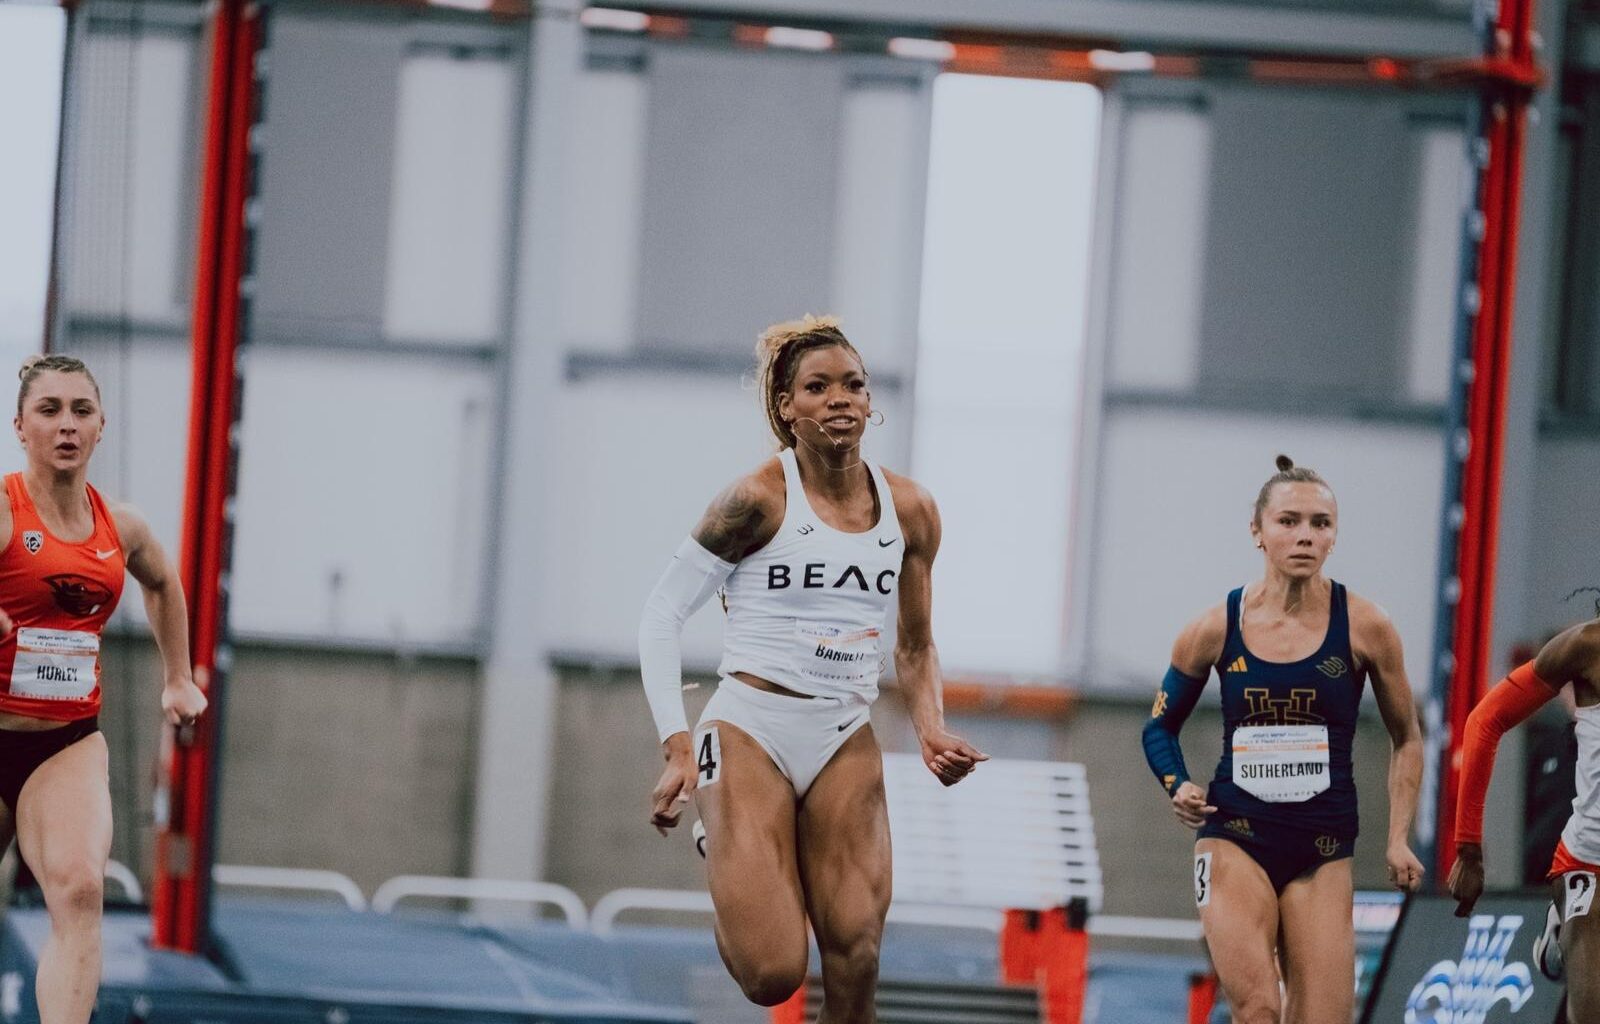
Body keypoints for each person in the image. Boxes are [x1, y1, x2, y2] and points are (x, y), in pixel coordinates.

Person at [637, 316, 986, 1022]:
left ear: (870, 401)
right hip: (750, 726)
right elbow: (661, 615)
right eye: (818, 387)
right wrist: (677, 745)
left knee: (856, 958)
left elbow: (914, 647)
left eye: (853, 385)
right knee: (773, 974)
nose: (840, 400)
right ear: (786, 408)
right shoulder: (755, 501)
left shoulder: (911, 510)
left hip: (841, 730)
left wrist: (931, 729)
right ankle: (726, 839)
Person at [1141, 454, 1425, 1024]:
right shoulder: (1215, 627)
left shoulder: (1368, 626)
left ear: (1335, 536)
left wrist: (1397, 839)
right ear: (1257, 532)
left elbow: (1408, 739)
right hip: (1234, 837)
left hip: (1323, 850)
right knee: (1259, 1009)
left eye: (1320, 524)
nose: (1305, 536)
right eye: (1288, 521)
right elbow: (1159, 726)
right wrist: (1178, 784)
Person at [0, 354, 207, 1024]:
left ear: (100, 428)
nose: (66, 425)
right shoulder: (5, 509)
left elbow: (164, 584)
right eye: (50, 410)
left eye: (80, 411)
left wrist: (177, 677)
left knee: (82, 888)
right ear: (20, 428)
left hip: (64, 744)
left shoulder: (122, 527)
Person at [1447, 593, 1600, 1023]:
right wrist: (1468, 848)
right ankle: (1567, 921)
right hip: (1591, 864)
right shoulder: (1586, 647)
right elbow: (1485, 720)